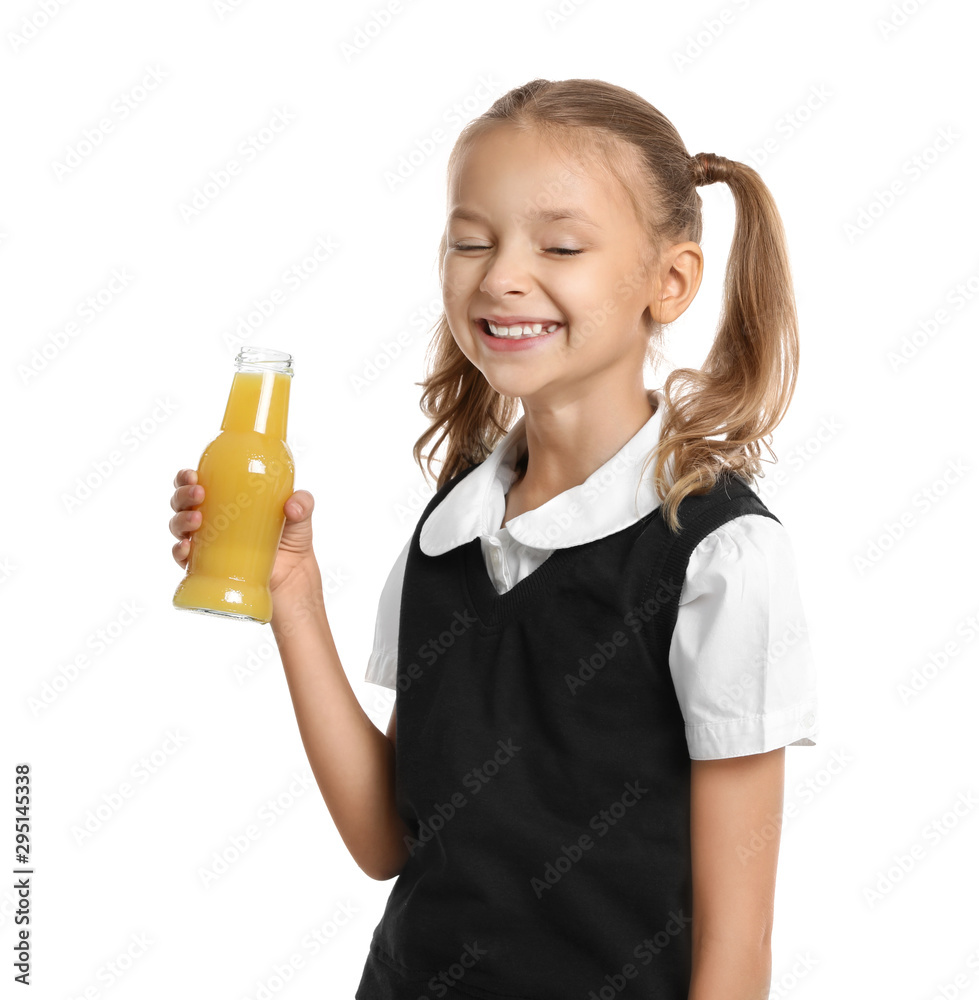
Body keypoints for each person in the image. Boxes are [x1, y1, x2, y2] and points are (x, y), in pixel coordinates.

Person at [169, 77, 818, 999]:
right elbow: (387, 839)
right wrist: (292, 597)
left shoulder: (718, 556)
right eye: (471, 241)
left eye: (558, 245)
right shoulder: (453, 525)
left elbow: (736, 947)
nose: (501, 274)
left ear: (669, 281)